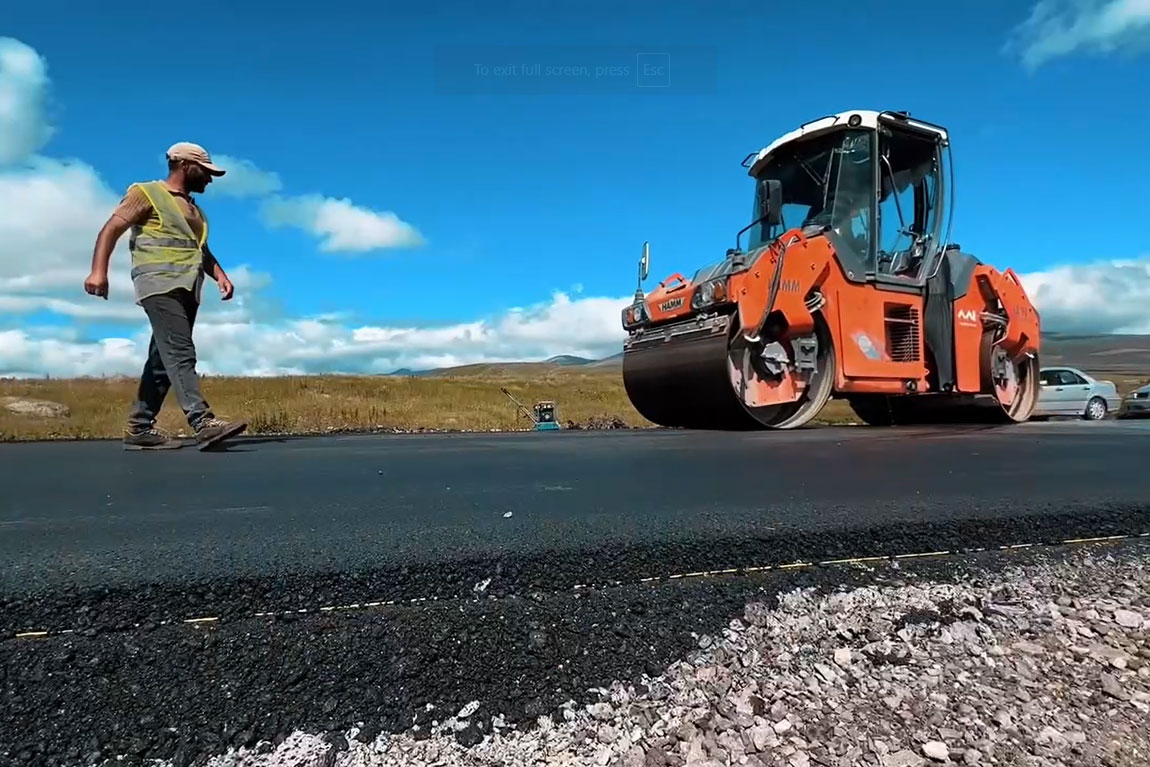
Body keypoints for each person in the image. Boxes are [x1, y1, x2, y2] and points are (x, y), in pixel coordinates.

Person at [84, 141, 248, 450]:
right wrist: (98, 271)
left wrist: (220, 275)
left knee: (163, 359)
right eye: (206, 171)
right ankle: (202, 421)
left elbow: (198, 248)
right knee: (181, 351)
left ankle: (139, 427)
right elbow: (111, 229)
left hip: (188, 286)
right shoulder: (146, 193)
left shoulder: (192, 208)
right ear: (186, 166)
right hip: (158, 283)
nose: (210, 179)